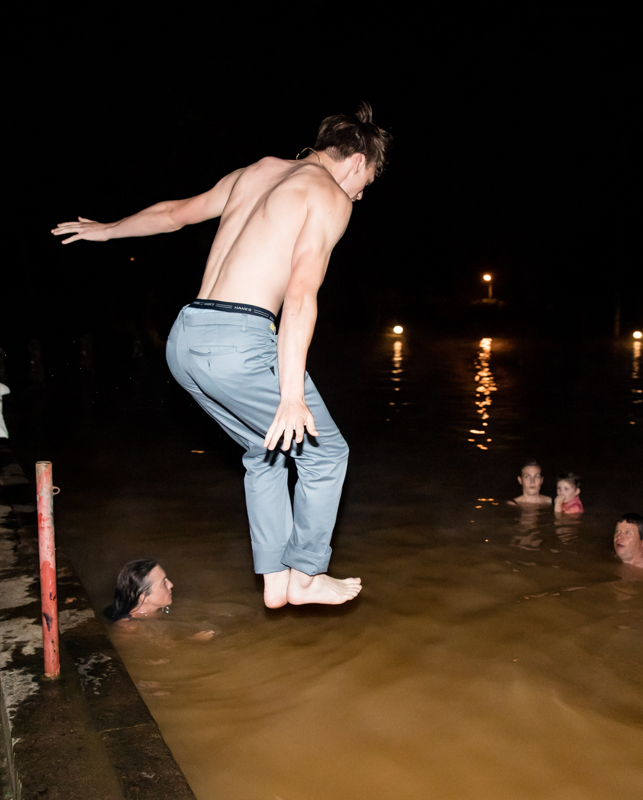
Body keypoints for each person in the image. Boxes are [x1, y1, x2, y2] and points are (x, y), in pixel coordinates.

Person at [53, 104, 392, 609]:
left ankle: (275, 578)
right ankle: (305, 575)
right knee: (326, 455)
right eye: (367, 181)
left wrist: (108, 229)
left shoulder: (256, 171)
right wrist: (291, 395)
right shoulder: (328, 195)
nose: (361, 194)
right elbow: (300, 294)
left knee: (263, 450)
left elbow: (174, 214)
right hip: (239, 341)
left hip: (185, 340)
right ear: (357, 160)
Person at [105, 559, 174, 621]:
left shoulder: (158, 611)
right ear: (144, 597)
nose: (171, 584)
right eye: (163, 583)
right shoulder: (130, 627)